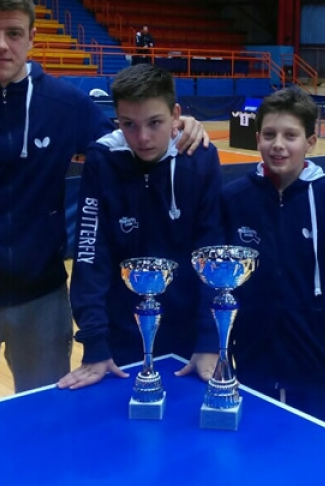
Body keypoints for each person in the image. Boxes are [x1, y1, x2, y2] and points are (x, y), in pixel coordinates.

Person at [0, 0, 208, 416]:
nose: (1, 45)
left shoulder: (65, 103)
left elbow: (132, 143)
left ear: (32, 37)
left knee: (48, 423)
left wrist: (182, 126)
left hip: (42, 298)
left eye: (13, 33)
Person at [57, 64, 222, 390]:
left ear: (176, 115)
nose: (143, 137)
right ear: (116, 119)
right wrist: (94, 341)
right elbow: (90, 255)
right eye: (129, 124)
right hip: (120, 340)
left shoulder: (200, 158)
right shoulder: (102, 159)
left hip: (190, 340)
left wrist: (209, 340)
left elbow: (211, 251)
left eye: (155, 123)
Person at [221, 86, 325, 431]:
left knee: (319, 456)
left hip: (320, 365)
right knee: (256, 451)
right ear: (256, 138)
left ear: (311, 142)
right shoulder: (233, 198)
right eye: (269, 135)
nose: (278, 145)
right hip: (254, 362)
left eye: (290, 135)